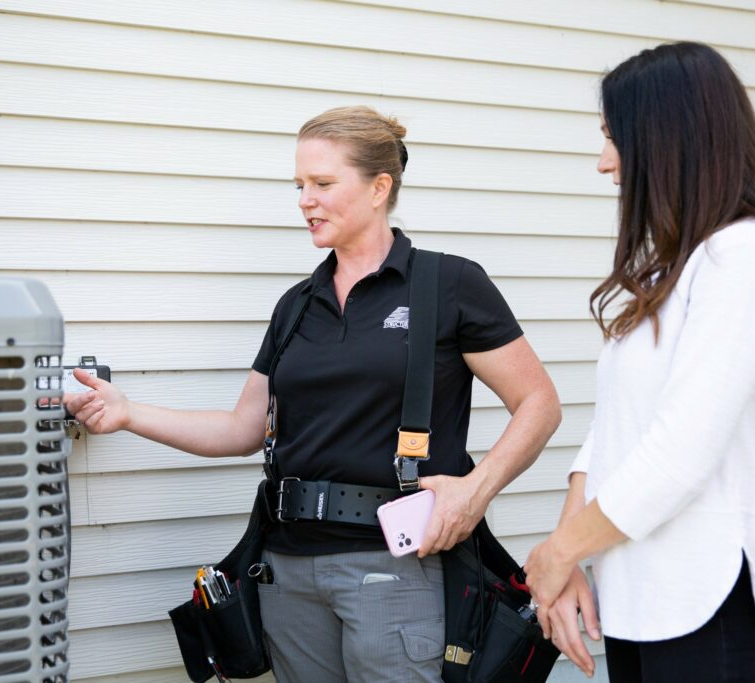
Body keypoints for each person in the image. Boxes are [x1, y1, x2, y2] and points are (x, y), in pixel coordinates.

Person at [65, 105, 562, 682]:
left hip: (397, 569)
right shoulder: (296, 304)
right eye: (300, 185)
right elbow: (242, 429)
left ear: (380, 187)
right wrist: (127, 413)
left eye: (323, 184)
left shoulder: (449, 284)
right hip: (288, 573)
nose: (305, 199)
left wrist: (474, 492)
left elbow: (540, 404)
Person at [522, 42, 755, 682]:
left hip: (713, 599)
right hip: (642, 595)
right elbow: (615, 429)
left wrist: (559, 553)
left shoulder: (750, 255)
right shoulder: (677, 270)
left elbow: (682, 448)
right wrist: (569, 561)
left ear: (666, 140)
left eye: (614, 139)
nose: (603, 162)